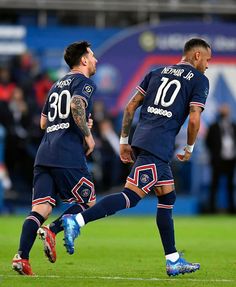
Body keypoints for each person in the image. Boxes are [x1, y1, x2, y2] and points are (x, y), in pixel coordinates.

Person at [61, 38, 212, 277]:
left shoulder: (156, 72)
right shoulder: (200, 80)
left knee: (167, 196)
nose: (208, 65)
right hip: (158, 146)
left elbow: (131, 106)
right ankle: (77, 220)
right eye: (207, 60)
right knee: (130, 196)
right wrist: (191, 147)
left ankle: (172, 259)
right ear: (196, 56)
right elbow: (194, 118)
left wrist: (123, 142)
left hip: (144, 140)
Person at [12, 41, 98, 275]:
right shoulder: (85, 82)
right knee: (88, 202)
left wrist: (75, 122)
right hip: (67, 153)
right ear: (83, 60)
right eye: (92, 56)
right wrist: (87, 135)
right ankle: (53, 230)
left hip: (45, 151)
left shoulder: (55, 86)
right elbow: (77, 104)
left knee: (40, 208)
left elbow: (43, 122)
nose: (95, 60)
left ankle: (22, 256)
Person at [206, 104, 236, 213]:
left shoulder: (233, 126)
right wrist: (214, 154)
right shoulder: (213, 127)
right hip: (217, 160)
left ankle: (232, 209)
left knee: (230, 185)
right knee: (214, 185)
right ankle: (212, 209)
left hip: (231, 160)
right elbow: (208, 142)